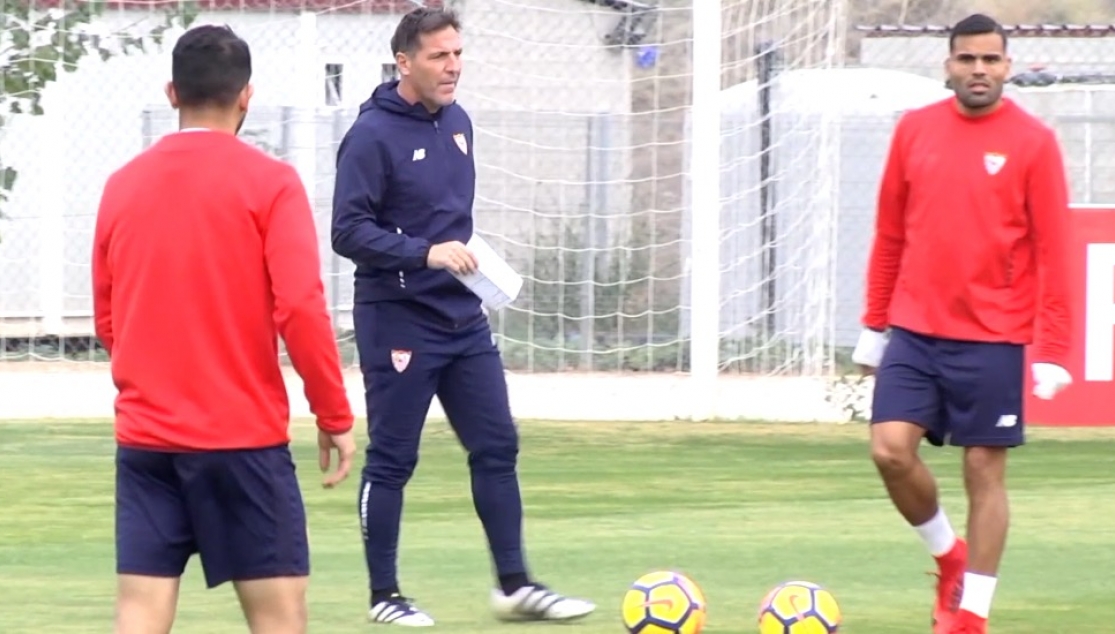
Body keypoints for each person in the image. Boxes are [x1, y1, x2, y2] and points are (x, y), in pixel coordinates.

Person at [331, 7, 595, 627]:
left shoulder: (459, 123)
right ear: (405, 62)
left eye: (457, 54)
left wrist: (478, 268)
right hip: (397, 317)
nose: (452, 67)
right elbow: (347, 230)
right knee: (394, 457)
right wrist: (423, 253)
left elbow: (448, 221)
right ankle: (384, 595)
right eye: (438, 56)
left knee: (497, 445)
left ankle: (515, 585)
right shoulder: (371, 135)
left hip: (462, 316)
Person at [92, 24, 357, 634]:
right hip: (242, 439)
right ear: (246, 97)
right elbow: (301, 307)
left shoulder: (121, 186)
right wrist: (333, 415)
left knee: (138, 610)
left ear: (171, 93)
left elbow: (109, 317)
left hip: (148, 439)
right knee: (277, 615)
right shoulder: (271, 183)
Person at [851, 13, 1075, 634]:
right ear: (947, 65)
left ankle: (972, 614)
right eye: (967, 59)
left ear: (1008, 67)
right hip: (915, 331)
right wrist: (875, 324)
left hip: (993, 337)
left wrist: (1054, 349)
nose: (979, 70)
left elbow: (1055, 252)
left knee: (983, 470)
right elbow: (891, 233)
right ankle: (949, 555)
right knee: (889, 451)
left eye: (991, 60)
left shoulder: (1033, 142)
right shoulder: (915, 131)